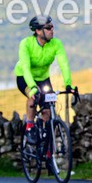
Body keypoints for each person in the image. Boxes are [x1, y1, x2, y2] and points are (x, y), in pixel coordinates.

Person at [14, 16, 72, 145]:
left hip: (43, 79)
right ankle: (29, 126)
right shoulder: (26, 44)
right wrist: (33, 87)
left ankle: (46, 144)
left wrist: (68, 84)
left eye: (52, 27)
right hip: (24, 77)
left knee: (47, 109)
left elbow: (64, 64)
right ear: (38, 31)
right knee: (33, 96)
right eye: (48, 28)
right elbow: (26, 68)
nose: (52, 30)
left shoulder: (56, 43)